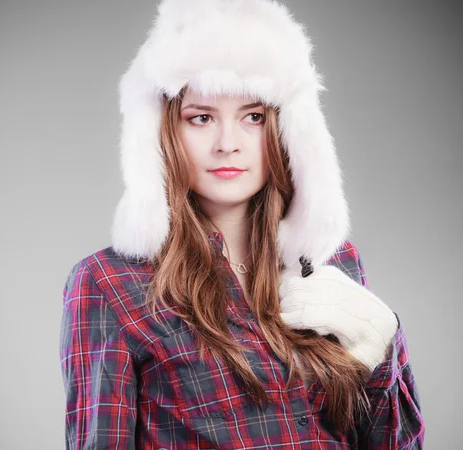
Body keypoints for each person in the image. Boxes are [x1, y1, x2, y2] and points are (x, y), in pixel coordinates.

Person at [59, 0, 425, 448]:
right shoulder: (110, 283)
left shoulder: (332, 263)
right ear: (163, 132)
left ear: (287, 130)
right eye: (201, 118)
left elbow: (393, 442)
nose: (227, 144)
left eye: (253, 117)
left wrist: (385, 347)